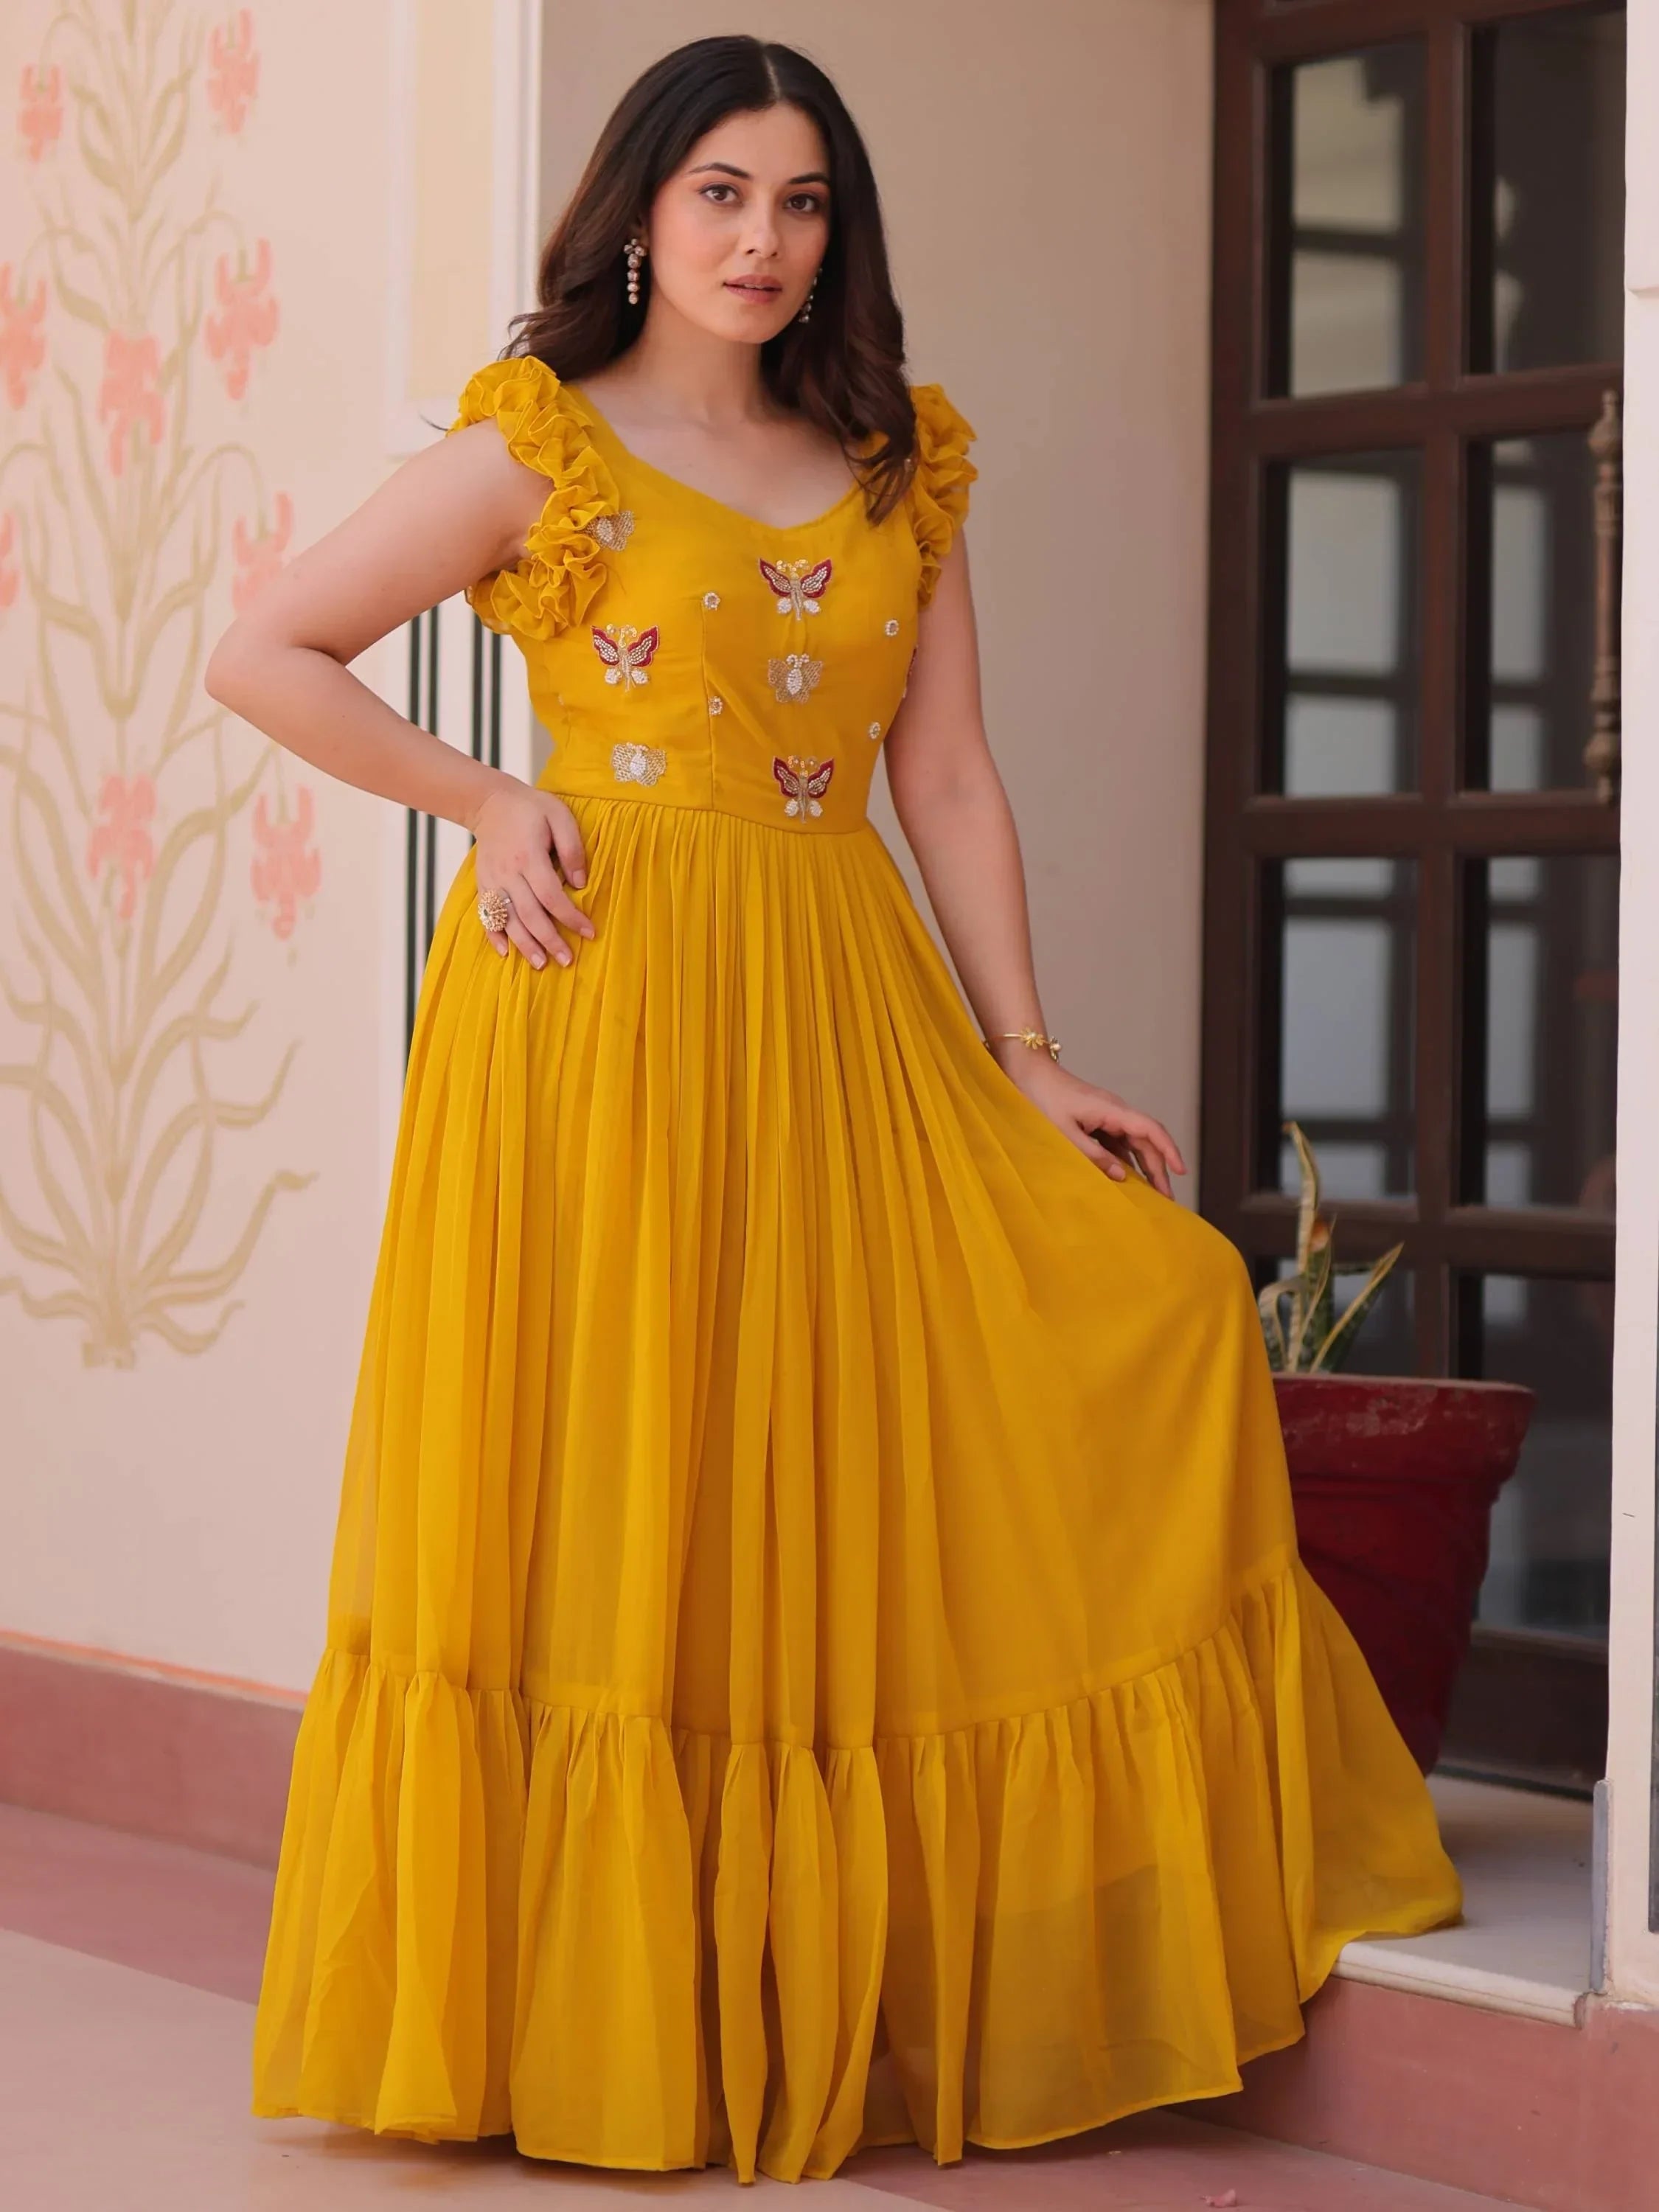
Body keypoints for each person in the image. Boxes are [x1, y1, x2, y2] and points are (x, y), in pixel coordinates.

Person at [206, 32, 1460, 2191]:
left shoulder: (902, 459)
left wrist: (1028, 1047)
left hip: (840, 999)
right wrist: (492, 793)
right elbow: (268, 651)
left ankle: (825, 1971)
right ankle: (579, 2013)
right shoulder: (537, 444)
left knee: (1126, 1314)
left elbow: (942, 775)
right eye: (719, 196)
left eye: (799, 202)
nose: (762, 240)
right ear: (637, 212)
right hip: (592, 1014)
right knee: (627, 1471)